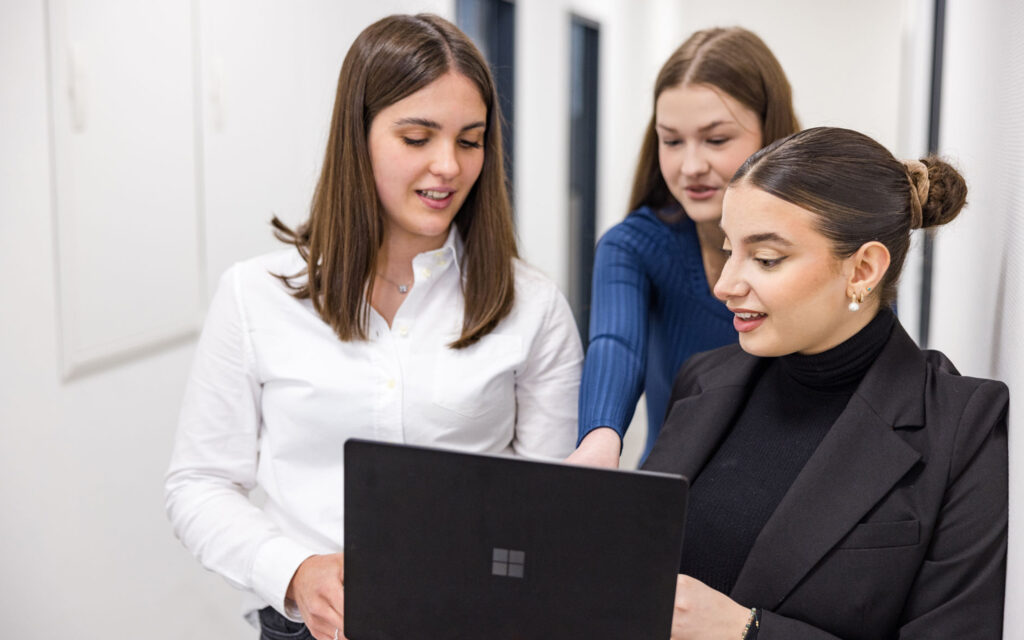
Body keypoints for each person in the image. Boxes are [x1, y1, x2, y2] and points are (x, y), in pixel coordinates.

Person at [164, 14, 582, 640]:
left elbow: (552, 507)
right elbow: (199, 484)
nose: (448, 166)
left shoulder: (533, 307)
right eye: (417, 138)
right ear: (356, 136)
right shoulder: (255, 296)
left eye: (470, 141)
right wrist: (295, 571)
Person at [643, 127, 1008, 639]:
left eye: (766, 258)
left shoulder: (963, 428)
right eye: (729, 250)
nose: (725, 285)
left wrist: (745, 632)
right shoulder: (704, 379)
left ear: (862, 269)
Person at [569, 27, 800, 467]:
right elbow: (615, 344)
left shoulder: (831, 242)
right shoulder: (632, 246)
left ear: (770, 132)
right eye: (672, 141)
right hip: (677, 500)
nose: (691, 166)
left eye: (716, 139)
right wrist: (599, 439)